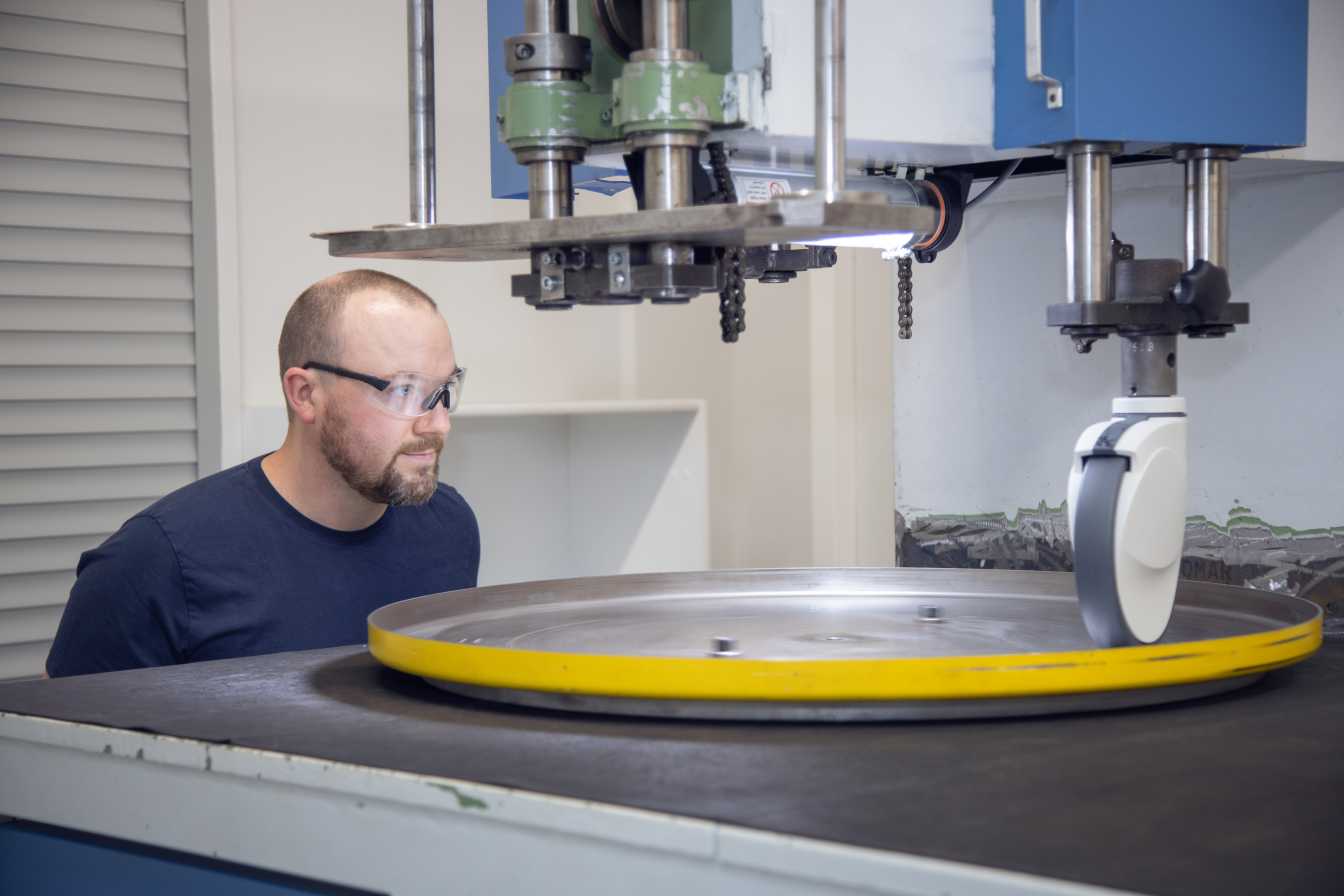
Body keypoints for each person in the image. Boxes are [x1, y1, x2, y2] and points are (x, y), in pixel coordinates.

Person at [46, 269, 479, 676]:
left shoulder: (447, 527)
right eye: (404, 391)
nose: (439, 424)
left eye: (444, 391)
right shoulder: (157, 562)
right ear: (305, 394)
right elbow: (65, 746)